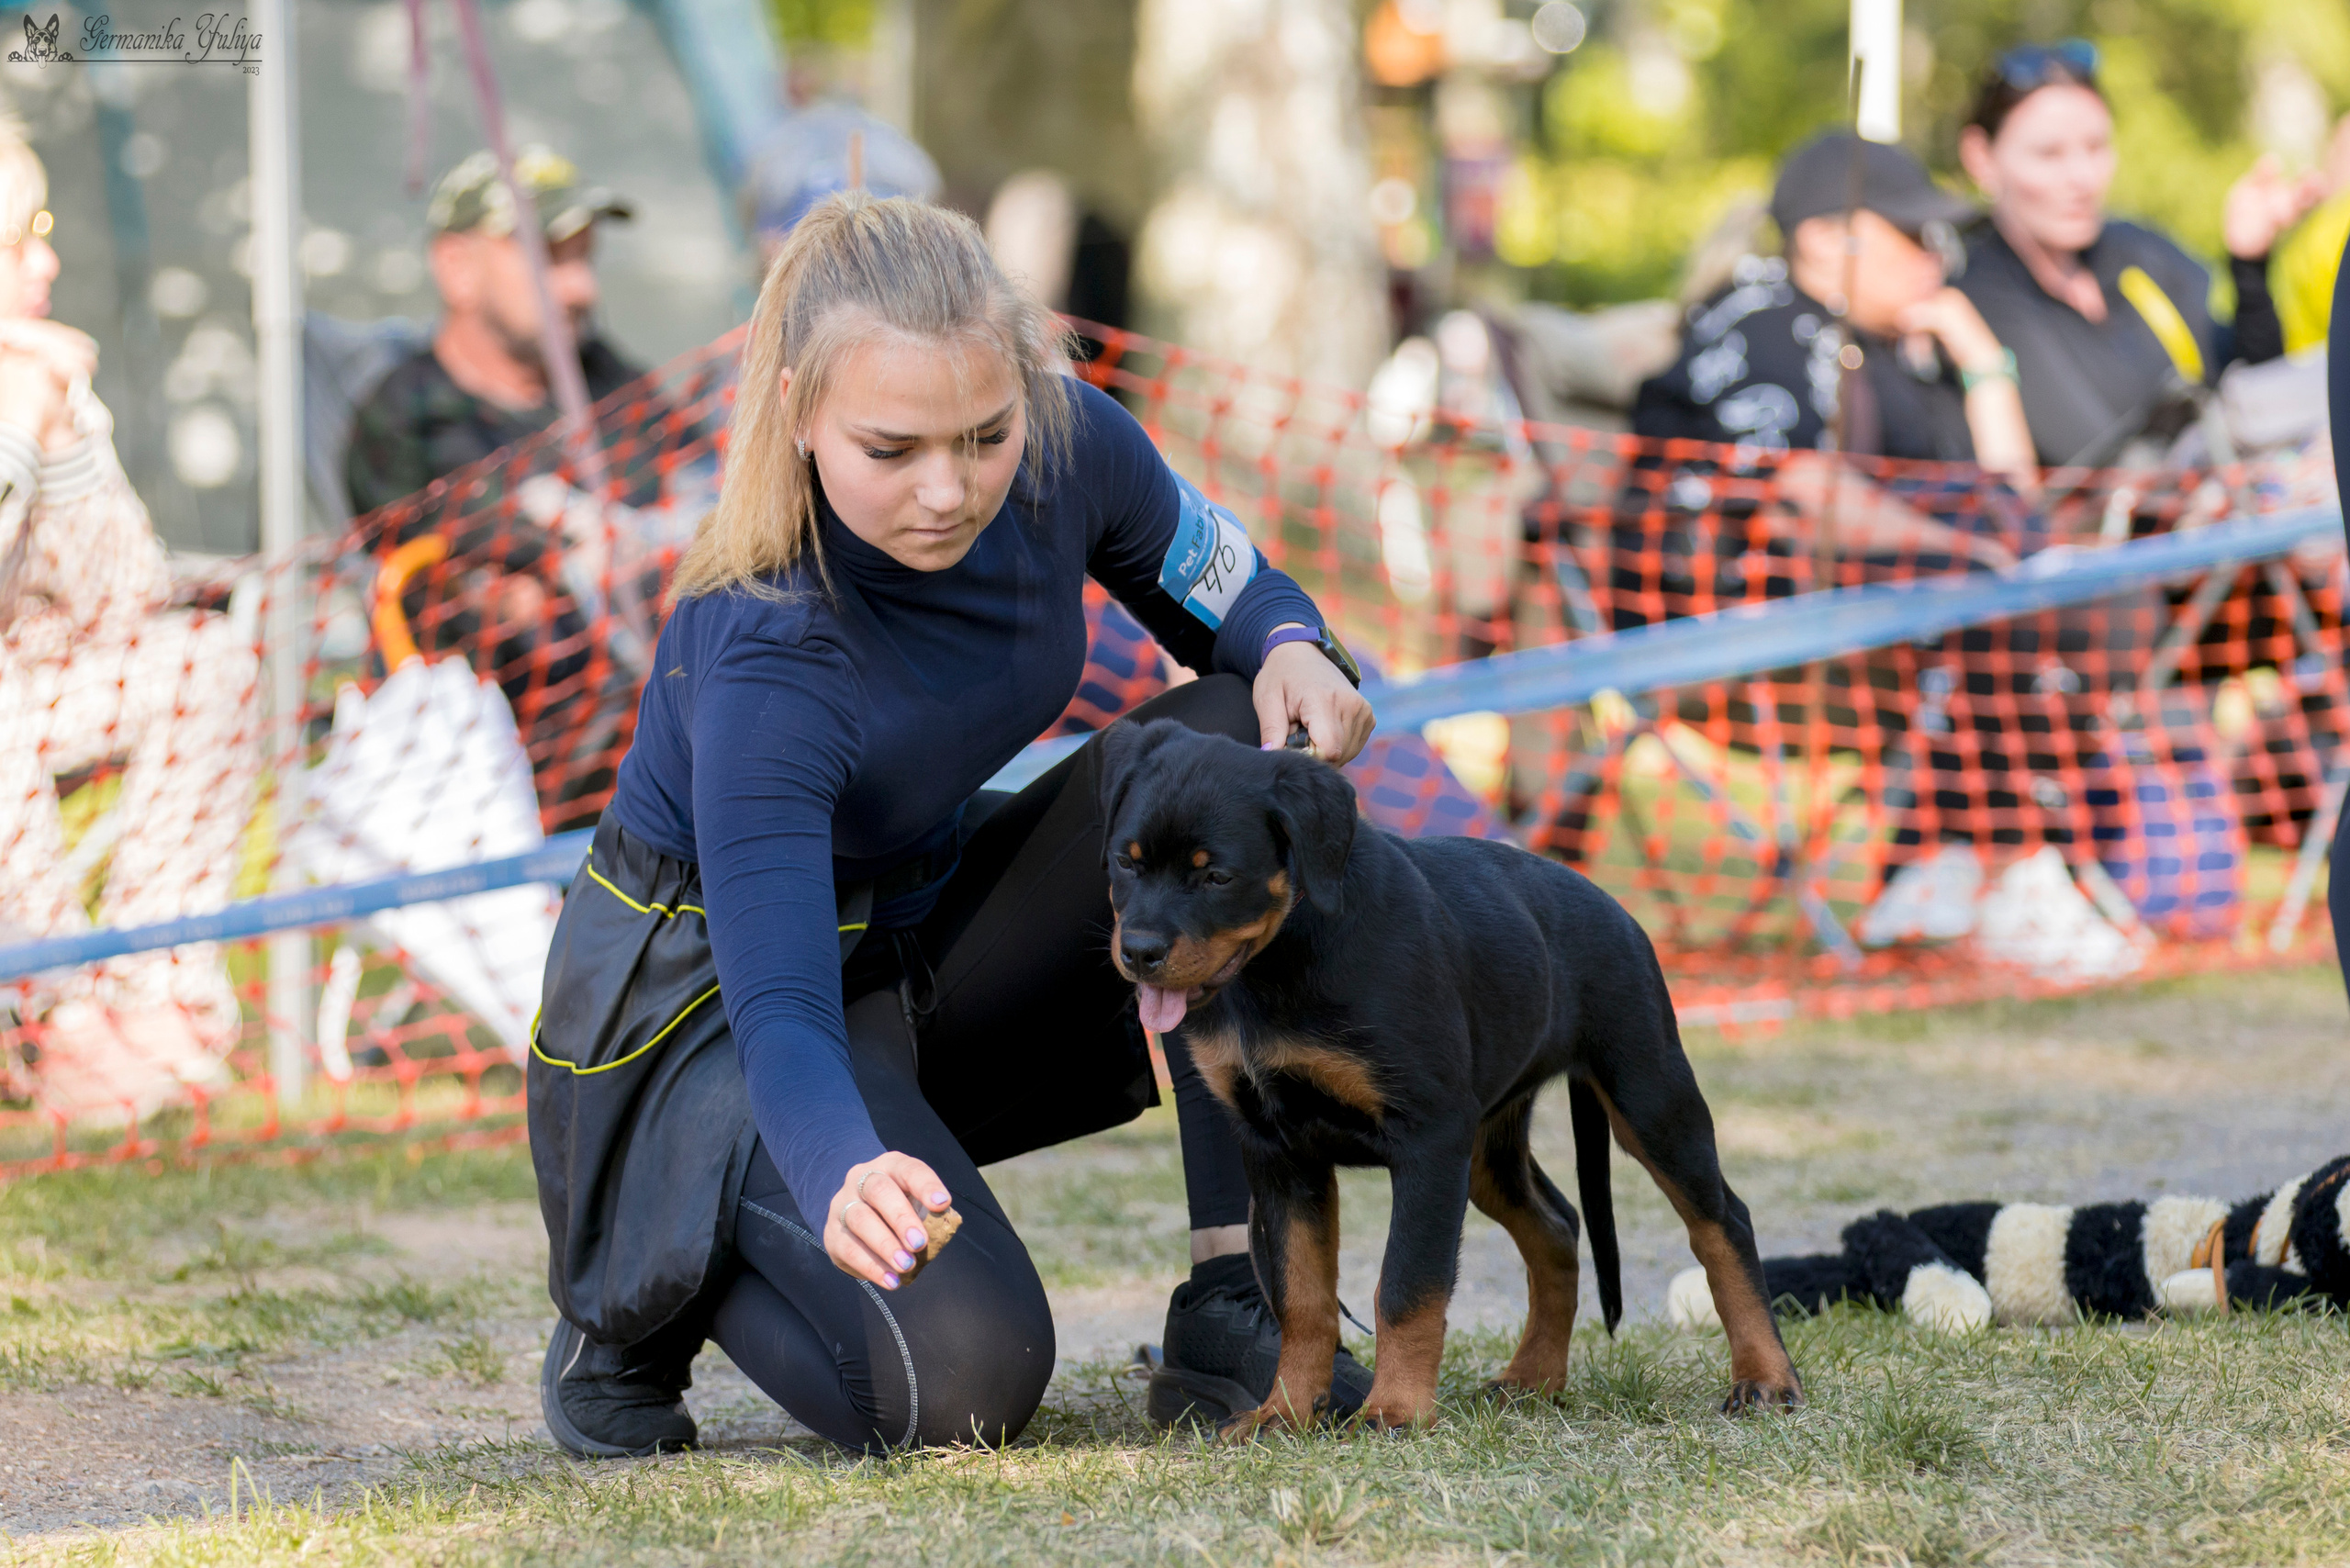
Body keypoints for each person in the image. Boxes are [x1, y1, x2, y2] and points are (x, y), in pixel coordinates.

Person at [529, 192, 1378, 1457]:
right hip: (708, 1014)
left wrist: (1294, 651)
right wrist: (839, 1173)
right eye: (894, 449)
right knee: (967, 1386)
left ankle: (1232, 1295)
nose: (949, 489)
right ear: (799, 416)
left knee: (1217, 744)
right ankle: (653, 1269)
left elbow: (1235, 592)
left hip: (912, 943)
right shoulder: (762, 647)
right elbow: (782, 1009)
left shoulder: (1068, 442)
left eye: (982, 436)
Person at [0, 118, 261, 1122]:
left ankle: (158, 992)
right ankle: (54, 1016)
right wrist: (19, 428)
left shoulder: (45, 374)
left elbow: (125, 600)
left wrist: (60, 430)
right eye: (19, 242)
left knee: (209, 662)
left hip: (37, 691)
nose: (49, 261)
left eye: (47, 229)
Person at [1955, 39, 2315, 467]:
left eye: (2096, 147)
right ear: (1981, 158)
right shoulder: (1977, 290)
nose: (2082, 178)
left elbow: (2262, 387)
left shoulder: (2139, 252)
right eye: (2048, 154)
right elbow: (2091, 450)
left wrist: (2250, 266)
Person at [1637, 132, 2036, 494]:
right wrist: (1978, 553)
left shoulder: (1890, 346)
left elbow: (2014, 503)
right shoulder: (1763, 325)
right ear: (1823, 239)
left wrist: (1984, 364)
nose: (1935, 257)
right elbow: (1797, 494)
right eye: (1913, 233)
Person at [342, 146, 644, 519]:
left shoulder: (605, 372)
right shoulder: (408, 422)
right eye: (549, 257)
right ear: (457, 267)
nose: (583, 288)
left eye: (585, 256)